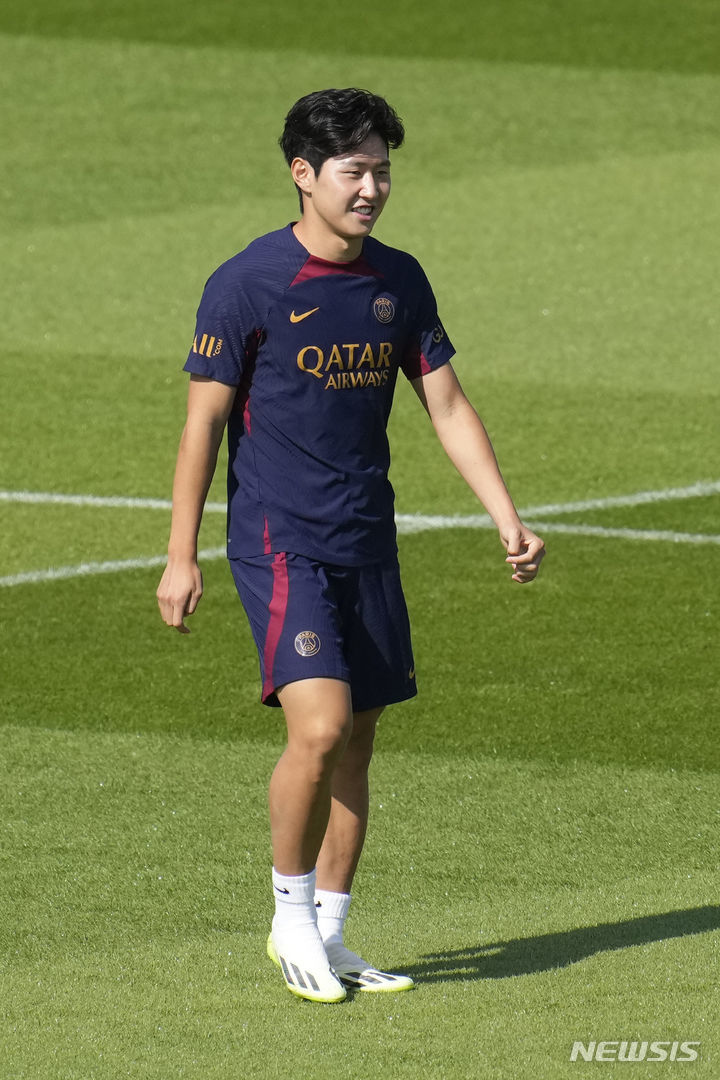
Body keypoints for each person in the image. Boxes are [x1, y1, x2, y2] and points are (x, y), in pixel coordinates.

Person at [156, 88, 545, 1004]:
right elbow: (202, 425)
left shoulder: (398, 280)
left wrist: (506, 514)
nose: (372, 189)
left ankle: (331, 934)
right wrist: (180, 554)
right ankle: (288, 917)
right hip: (279, 540)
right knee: (321, 727)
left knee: (359, 740)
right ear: (304, 174)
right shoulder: (248, 283)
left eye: (383, 171)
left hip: (368, 537)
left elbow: (446, 403)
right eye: (354, 171)